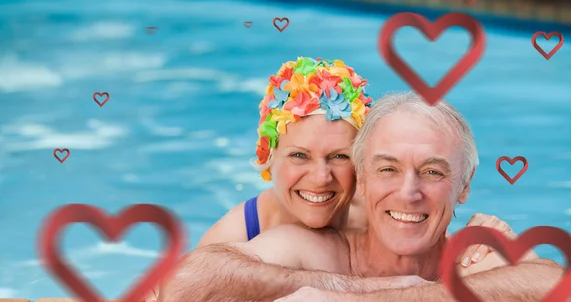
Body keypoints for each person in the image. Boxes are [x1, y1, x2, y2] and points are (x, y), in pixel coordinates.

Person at [158, 92, 571, 302]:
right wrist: (353, 287)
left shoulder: (471, 257)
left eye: (433, 172)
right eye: (387, 169)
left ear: (465, 185)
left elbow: (561, 295)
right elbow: (184, 285)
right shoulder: (315, 249)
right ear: (360, 179)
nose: (408, 192)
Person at [196, 57, 503, 266]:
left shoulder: (381, 212)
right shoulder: (239, 231)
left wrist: (484, 232)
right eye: (299, 155)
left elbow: (432, 227)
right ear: (267, 158)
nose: (320, 177)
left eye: (339, 156)